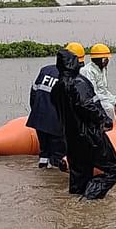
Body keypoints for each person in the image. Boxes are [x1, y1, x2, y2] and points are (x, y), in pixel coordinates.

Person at [51, 49, 116, 199]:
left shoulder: (56, 88)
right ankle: (90, 197)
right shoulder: (79, 83)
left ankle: (77, 201)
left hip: (70, 138)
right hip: (90, 136)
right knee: (114, 168)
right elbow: (88, 106)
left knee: (79, 174)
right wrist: (104, 120)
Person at [26, 43, 85, 171]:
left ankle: (42, 175)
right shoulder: (70, 78)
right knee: (58, 155)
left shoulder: (45, 70)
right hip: (56, 123)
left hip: (39, 119)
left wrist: (35, 112)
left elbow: (34, 94)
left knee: (44, 152)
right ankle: (54, 185)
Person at [80, 43, 116, 127]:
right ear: (101, 59)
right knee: (109, 108)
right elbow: (94, 94)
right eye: (106, 58)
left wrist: (113, 100)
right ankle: (114, 130)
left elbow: (104, 90)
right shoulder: (88, 71)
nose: (107, 61)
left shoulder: (102, 69)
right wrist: (114, 102)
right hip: (95, 100)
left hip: (105, 96)